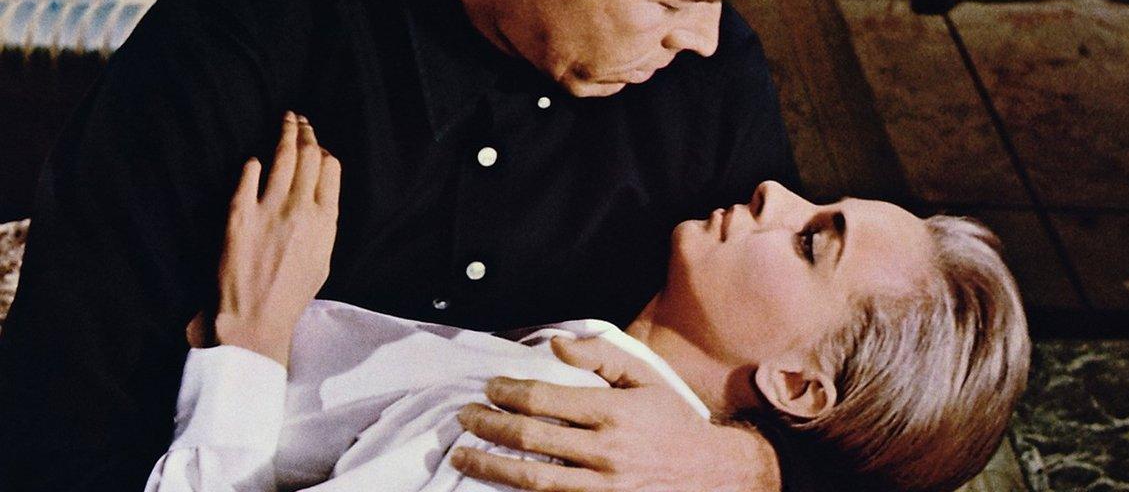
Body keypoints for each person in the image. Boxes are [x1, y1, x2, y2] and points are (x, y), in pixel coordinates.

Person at [0, 0, 827, 491]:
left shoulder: (707, 81)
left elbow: (847, 375)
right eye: (675, 1)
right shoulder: (225, 55)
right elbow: (62, 429)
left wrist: (740, 466)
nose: (705, 38)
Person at [145, 115, 1031, 492]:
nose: (774, 191)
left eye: (811, 243)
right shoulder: (585, 373)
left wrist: (249, 339)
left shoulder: (548, 438)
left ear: (798, 384)